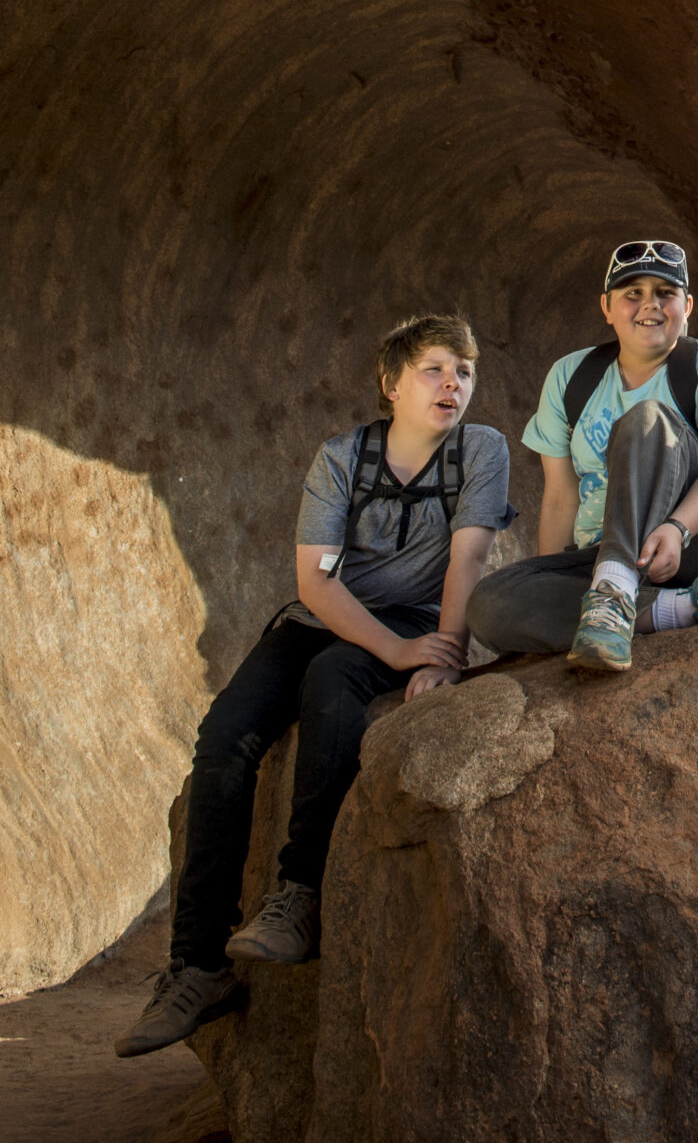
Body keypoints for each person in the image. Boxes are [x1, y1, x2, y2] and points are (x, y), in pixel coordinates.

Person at [116, 314, 512, 1057]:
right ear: (392, 384)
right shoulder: (341, 459)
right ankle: (196, 968)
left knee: (335, 687)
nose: (452, 384)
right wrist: (393, 650)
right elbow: (315, 580)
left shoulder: (479, 452)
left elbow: (466, 562)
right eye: (433, 369)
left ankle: (296, 898)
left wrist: (439, 655)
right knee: (224, 738)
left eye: (463, 371)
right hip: (321, 615)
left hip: (412, 613)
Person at [466, 238, 698, 675]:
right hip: (604, 553)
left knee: (646, 419)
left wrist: (677, 529)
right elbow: (560, 498)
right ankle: (688, 605)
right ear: (607, 307)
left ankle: (616, 594)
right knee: (489, 605)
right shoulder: (571, 377)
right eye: (632, 293)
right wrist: (550, 574)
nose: (649, 305)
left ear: (686, 305)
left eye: (664, 293)